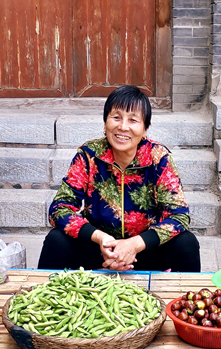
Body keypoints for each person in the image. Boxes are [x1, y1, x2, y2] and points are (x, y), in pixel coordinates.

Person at [37, 85, 200, 272]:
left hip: (145, 251)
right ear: (105, 122)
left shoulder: (158, 158)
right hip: (99, 250)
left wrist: (134, 245)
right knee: (56, 239)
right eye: (116, 117)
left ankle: (187, 300)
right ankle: (45, 297)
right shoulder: (89, 155)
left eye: (133, 120)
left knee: (187, 243)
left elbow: (179, 216)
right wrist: (100, 238)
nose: (123, 127)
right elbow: (59, 209)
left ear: (145, 129)